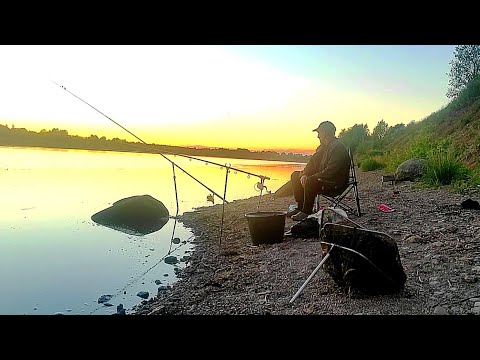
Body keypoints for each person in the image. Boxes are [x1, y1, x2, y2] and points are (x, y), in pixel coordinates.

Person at [288, 121, 351, 221]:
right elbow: (312, 164)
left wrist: (310, 177)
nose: (318, 136)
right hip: (325, 179)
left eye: (319, 133)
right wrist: (304, 174)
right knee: (296, 175)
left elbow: (331, 172)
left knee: (310, 180)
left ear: (325, 133)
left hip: (335, 183)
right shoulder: (323, 148)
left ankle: (306, 211)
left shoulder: (337, 148)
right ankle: (300, 207)